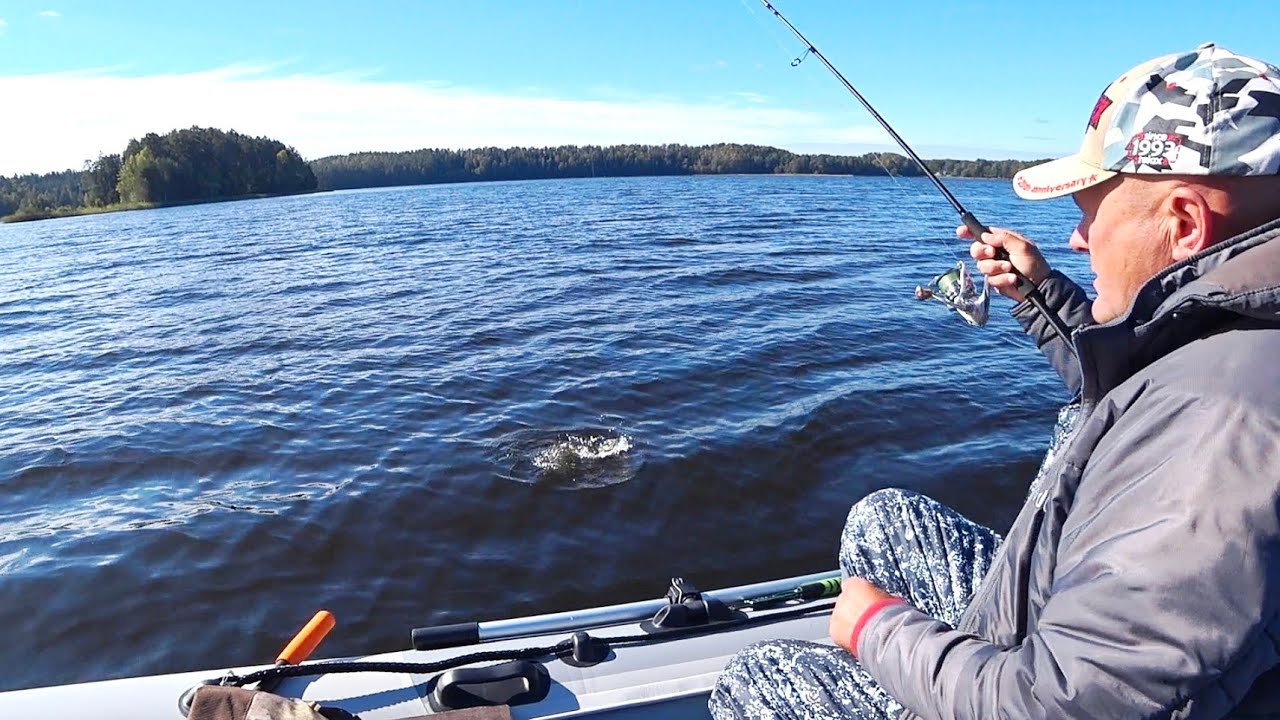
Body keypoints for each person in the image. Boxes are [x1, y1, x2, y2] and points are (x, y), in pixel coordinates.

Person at [710, 41, 1280, 719]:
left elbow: (1055, 705)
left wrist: (873, 630)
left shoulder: (1222, 428)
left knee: (757, 679)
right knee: (883, 520)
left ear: (1185, 222)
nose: (1077, 238)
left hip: (1034, 684)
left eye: (1091, 213)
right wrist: (1036, 291)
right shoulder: (1229, 336)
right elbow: (1128, 390)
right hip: (1053, 616)